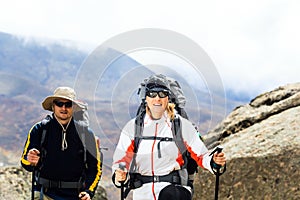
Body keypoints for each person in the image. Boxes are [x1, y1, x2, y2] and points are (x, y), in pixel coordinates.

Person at [112, 74, 226, 200]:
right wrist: (119, 176)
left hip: (174, 189)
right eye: (152, 94)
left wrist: (214, 162)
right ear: (146, 98)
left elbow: (201, 154)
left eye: (162, 94)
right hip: (142, 192)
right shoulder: (133, 127)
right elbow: (121, 160)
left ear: (168, 98)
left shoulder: (180, 125)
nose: (157, 99)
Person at [21, 86, 102, 200]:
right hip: (45, 194)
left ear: (73, 107)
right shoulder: (39, 130)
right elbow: (25, 162)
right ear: (53, 106)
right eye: (59, 104)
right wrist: (30, 160)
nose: (64, 108)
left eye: (68, 104)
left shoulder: (86, 134)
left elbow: (95, 168)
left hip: (76, 196)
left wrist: (89, 191)